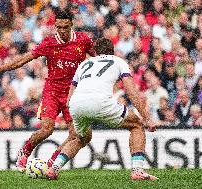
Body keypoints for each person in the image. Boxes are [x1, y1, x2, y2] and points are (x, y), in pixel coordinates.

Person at [0, 11, 95, 173]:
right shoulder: (49, 43)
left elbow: (98, 59)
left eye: (65, 27)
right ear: (55, 26)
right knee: (47, 129)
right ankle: (25, 150)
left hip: (72, 94)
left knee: (75, 136)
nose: (62, 30)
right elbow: (25, 58)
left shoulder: (83, 40)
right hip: (52, 92)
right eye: (59, 27)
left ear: (71, 25)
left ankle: (53, 162)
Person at [45, 38, 158, 181]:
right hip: (100, 102)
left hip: (76, 103)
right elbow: (131, 91)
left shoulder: (84, 64)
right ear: (112, 51)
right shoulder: (118, 61)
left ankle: (53, 169)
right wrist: (147, 118)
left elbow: (69, 98)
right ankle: (137, 171)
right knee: (136, 125)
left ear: (95, 52)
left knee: (81, 138)